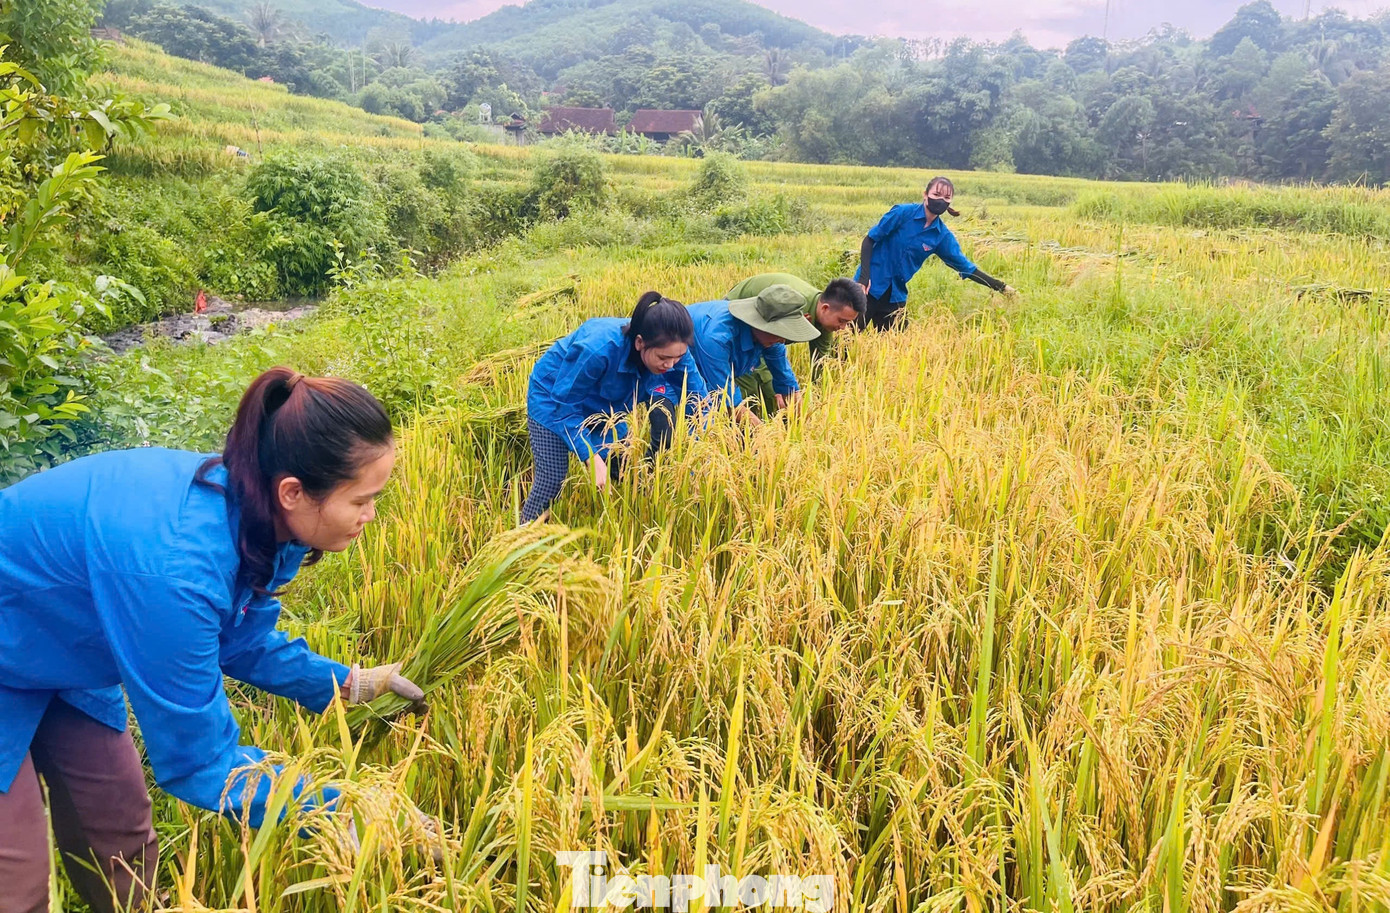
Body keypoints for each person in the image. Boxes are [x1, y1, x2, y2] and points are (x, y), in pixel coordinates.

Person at [0, 367, 426, 913]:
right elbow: (200, 763)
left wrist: (345, 683)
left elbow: (240, 640)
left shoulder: (262, 520)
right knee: (16, 881)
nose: (370, 516)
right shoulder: (176, 572)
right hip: (15, 636)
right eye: (362, 500)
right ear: (293, 492)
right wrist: (341, 810)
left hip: (62, 644)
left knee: (119, 830)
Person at [521, 291, 711, 524]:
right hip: (554, 400)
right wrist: (591, 457)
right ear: (640, 342)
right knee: (552, 479)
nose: (671, 365)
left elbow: (700, 403)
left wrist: (699, 453)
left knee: (628, 469)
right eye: (663, 358)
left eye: (678, 357)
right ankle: (524, 536)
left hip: (607, 407)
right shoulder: (598, 348)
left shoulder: (675, 353)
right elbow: (565, 405)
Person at [855, 175, 1016, 331]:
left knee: (897, 344)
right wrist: (864, 278)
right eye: (936, 194)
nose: (941, 200)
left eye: (946, 197)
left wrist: (1001, 287)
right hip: (869, 287)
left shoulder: (941, 235)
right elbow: (869, 240)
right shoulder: (902, 213)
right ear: (925, 195)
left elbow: (966, 267)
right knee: (846, 337)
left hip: (895, 295)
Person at [724, 274, 866, 416]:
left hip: (765, 334)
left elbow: (820, 362)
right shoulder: (793, 308)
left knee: (783, 393)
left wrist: (818, 403)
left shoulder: (825, 321)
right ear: (825, 308)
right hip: (739, 318)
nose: (843, 328)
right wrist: (773, 388)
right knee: (751, 390)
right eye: (841, 321)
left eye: (847, 323)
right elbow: (766, 345)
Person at [687, 284, 822, 425]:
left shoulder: (773, 339)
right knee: (699, 418)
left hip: (708, 364)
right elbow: (729, 401)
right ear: (759, 324)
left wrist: (804, 426)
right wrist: (766, 434)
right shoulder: (717, 339)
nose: (783, 340)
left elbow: (787, 384)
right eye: (780, 332)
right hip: (676, 369)